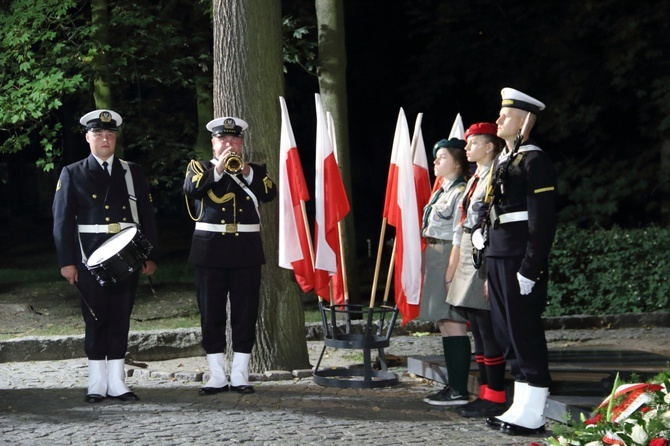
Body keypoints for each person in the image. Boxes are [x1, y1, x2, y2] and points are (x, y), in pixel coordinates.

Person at [52, 109, 158, 403]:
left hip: (128, 255)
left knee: (120, 318)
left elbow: (146, 215)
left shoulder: (131, 171)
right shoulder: (72, 172)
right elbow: (61, 221)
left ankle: (118, 383)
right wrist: (66, 261)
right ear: (88, 138)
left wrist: (149, 253)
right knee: (96, 318)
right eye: (99, 134)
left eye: (110, 135)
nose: (105, 139)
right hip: (89, 258)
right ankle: (97, 383)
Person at [474, 88, 557, 435]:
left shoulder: (535, 161)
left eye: (505, 116)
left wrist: (531, 266)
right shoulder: (504, 161)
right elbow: (489, 205)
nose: (498, 120)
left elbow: (543, 220)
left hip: (519, 257)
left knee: (524, 332)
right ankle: (520, 405)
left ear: (524, 120)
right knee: (506, 334)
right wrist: (481, 232)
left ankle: (535, 411)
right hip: (497, 252)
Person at [184, 116, 276, 395]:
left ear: (242, 143)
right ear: (213, 143)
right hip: (210, 251)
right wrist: (221, 169)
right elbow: (192, 189)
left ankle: (239, 374)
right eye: (223, 139)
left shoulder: (255, 171)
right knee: (211, 314)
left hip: (245, 251)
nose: (229, 144)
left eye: (234, 139)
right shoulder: (198, 168)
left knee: (245, 314)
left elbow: (270, 193)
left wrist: (245, 171)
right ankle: (216, 376)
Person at [446, 122, 507, 418]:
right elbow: (464, 221)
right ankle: (485, 392)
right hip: (473, 251)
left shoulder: (497, 175)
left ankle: (495, 395)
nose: (467, 148)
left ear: (490, 146)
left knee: (486, 326)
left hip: (486, 253)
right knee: (478, 330)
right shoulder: (475, 178)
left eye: (473, 143)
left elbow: (496, 220)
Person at [418, 137, 470, 406]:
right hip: (436, 254)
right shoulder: (442, 189)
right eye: (436, 157)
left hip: (449, 255)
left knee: (453, 322)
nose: (436, 161)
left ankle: (459, 389)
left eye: (442, 157)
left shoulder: (460, 191)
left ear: (458, 162)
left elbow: (459, 234)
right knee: (444, 322)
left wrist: (451, 271)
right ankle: (454, 385)